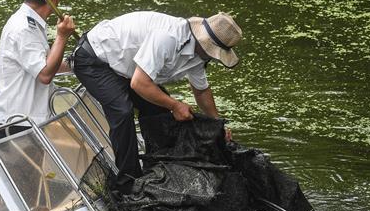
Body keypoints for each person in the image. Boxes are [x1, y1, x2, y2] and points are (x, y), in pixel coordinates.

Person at [71, 10, 242, 193]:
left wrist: (217, 125)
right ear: (206, 43)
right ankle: (127, 183)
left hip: (128, 69)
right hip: (95, 59)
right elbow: (139, 84)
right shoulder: (168, 38)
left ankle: (156, 166)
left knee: (158, 110)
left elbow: (201, 91)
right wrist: (175, 105)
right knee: (122, 111)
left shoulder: (200, 55)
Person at [0, 0, 76, 140]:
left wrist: (78, 63)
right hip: (16, 124)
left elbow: (44, 64)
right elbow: (45, 74)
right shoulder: (23, 28)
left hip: (27, 122)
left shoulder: (31, 23)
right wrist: (61, 37)